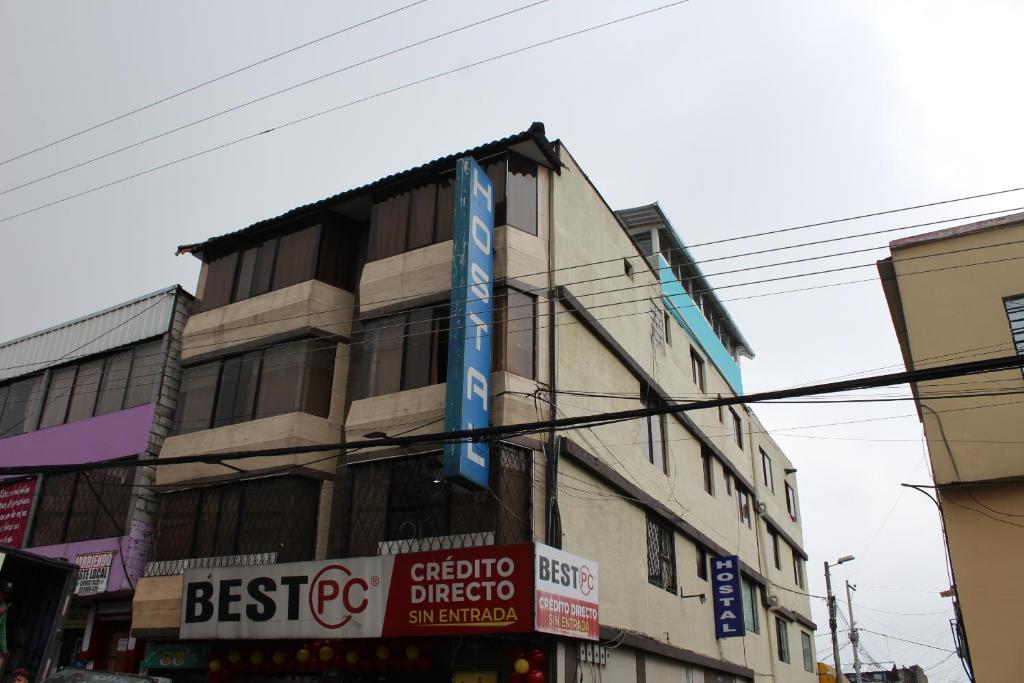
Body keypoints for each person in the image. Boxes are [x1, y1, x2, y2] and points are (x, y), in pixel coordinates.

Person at [0, 581, 11, 675]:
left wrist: (4, 648)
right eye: (3, 592)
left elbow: (2, 630)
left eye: (6, 594)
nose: (4, 596)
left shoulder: (3, 606)